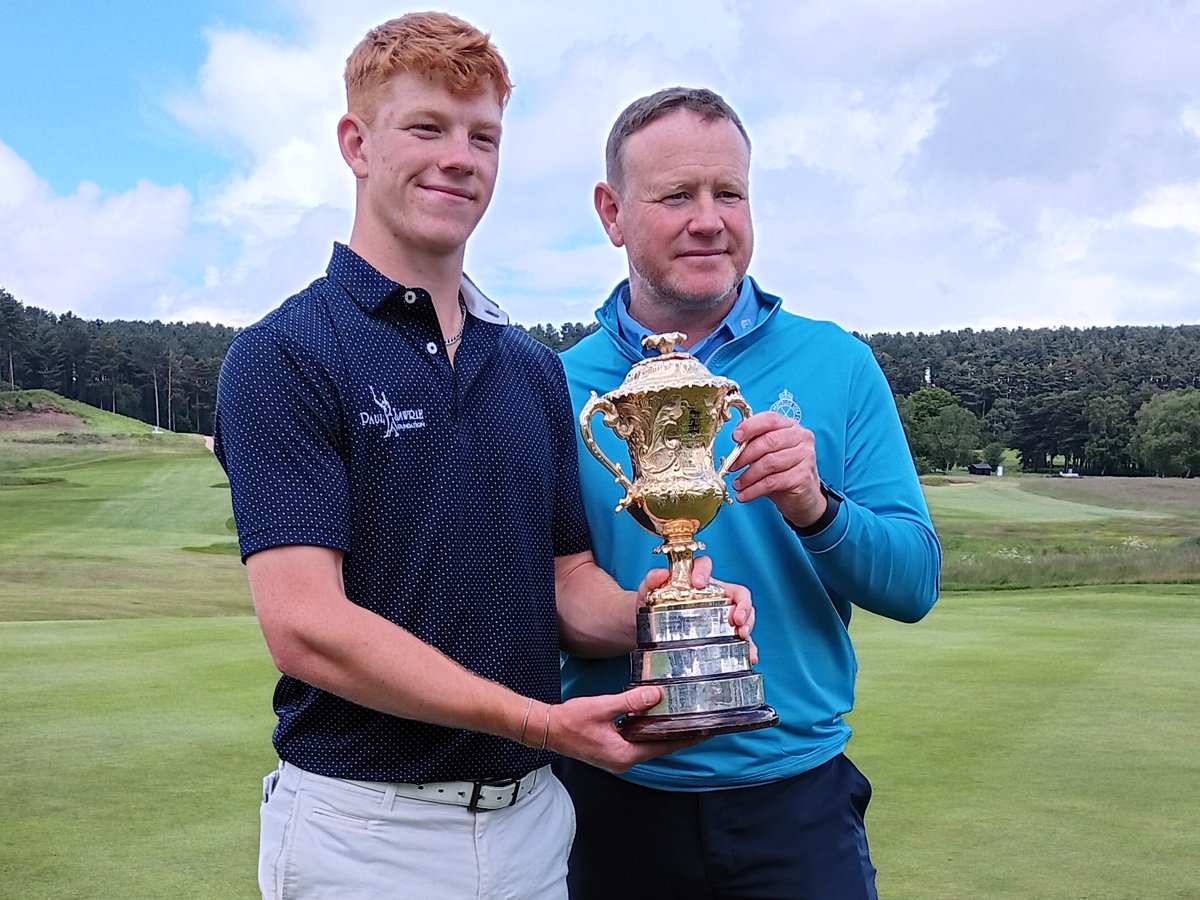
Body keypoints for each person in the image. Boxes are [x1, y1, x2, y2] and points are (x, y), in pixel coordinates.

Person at [213, 22, 752, 900]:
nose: (460, 158)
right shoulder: (287, 353)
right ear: (357, 143)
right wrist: (539, 722)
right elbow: (306, 626)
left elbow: (566, 587)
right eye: (427, 128)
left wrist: (663, 612)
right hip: (363, 831)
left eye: (483, 136)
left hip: (533, 824)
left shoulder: (531, 368)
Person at [557, 87, 942, 900]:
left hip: (795, 802)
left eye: (728, 192)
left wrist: (816, 507)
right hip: (609, 803)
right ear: (611, 212)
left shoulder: (836, 363)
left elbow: (913, 585)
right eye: (675, 196)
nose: (709, 219)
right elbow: (539, 598)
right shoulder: (558, 388)